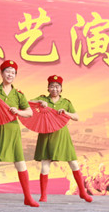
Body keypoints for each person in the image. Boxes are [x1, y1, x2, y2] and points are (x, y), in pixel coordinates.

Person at [0, 59, 39, 207]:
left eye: (13, 73)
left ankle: (28, 197)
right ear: (1, 73)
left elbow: (29, 112)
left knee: (20, 163)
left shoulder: (18, 94)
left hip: (12, 130)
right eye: (7, 72)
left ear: (15, 75)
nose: (10, 75)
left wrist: (19, 112)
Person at [30, 75, 92, 203]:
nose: (55, 89)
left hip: (62, 135)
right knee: (45, 166)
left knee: (74, 164)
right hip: (46, 134)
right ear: (48, 88)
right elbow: (27, 103)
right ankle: (43, 195)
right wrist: (39, 102)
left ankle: (82, 192)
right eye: (52, 86)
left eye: (57, 86)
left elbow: (76, 117)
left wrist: (66, 113)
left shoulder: (66, 102)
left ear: (61, 89)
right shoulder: (43, 98)